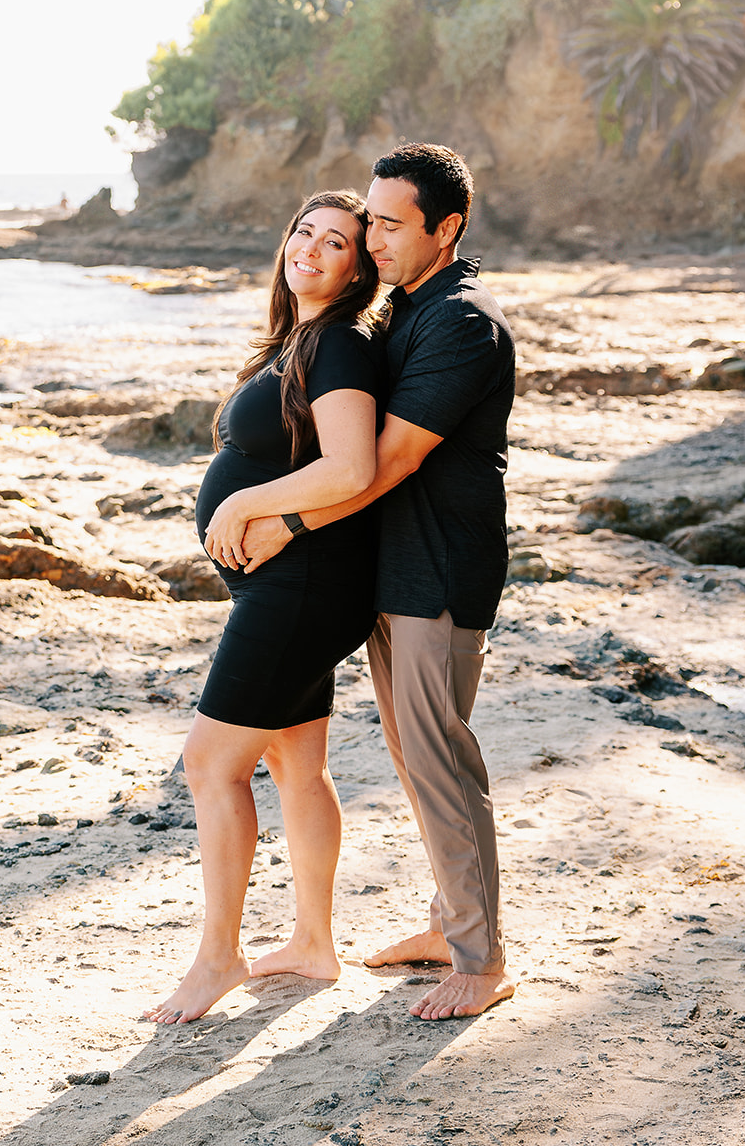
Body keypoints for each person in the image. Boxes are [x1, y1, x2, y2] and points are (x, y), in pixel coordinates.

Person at [238, 143, 516, 1022]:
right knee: (412, 755)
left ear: (447, 228)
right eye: (374, 217)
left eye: (392, 223)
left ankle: (480, 959)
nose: (374, 235)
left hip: (438, 573)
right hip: (398, 572)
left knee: (439, 761)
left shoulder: (460, 320)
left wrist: (278, 521)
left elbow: (385, 462)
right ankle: (448, 924)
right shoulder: (408, 309)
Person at [145, 190, 387, 1026]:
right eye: (303, 233)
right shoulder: (302, 341)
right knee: (295, 765)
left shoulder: (341, 347)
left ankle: (219, 957)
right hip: (296, 587)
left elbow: (352, 469)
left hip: (304, 587)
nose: (312, 251)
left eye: (336, 243)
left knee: (210, 766)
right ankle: (313, 943)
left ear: (360, 268)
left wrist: (245, 509)